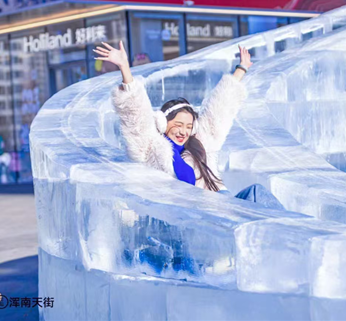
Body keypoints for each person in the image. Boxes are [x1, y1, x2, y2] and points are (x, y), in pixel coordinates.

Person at [94, 41, 283, 210]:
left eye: (188, 126)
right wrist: (125, 68)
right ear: (163, 123)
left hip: (221, 203)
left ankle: (294, 232)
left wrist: (241, 68)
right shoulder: (152, 147)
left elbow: (221, 109)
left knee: (256, 193)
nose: (183, 131)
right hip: (196, 213)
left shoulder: (201, 143)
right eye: (178, 125)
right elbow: (136, 115)